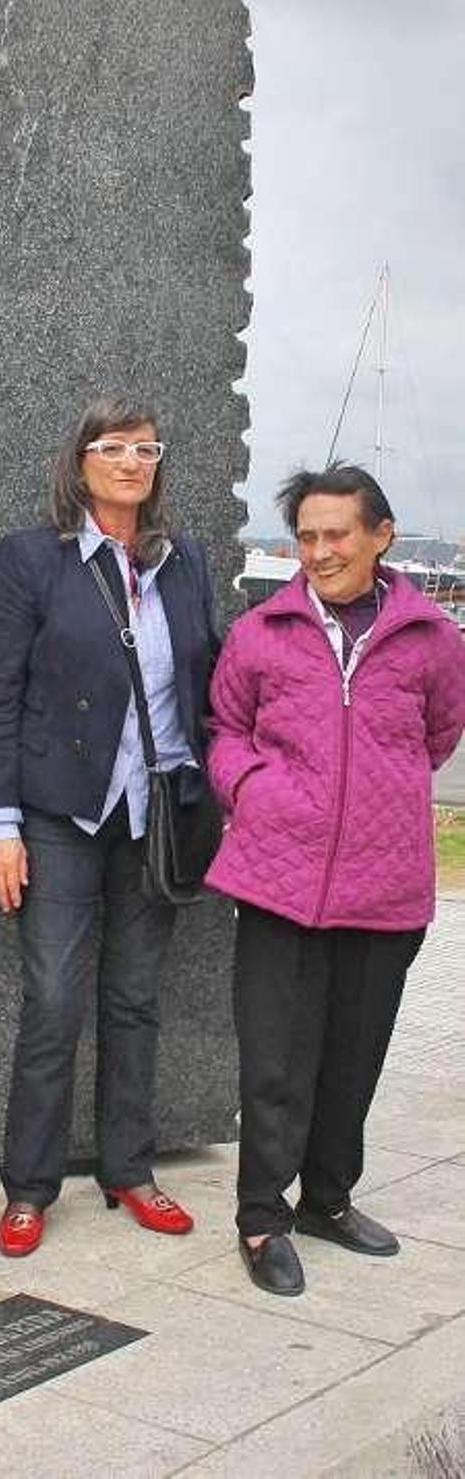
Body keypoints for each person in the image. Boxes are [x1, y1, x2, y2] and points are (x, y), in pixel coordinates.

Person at [0, 392, 220, 1257]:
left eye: (146, 450)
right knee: (53, 1000)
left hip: (157, 814)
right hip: (61, 813)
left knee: (137, 999)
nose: (130, 464)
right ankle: (29, 1188)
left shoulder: (184, 561)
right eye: (112, 447)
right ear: (80, 462)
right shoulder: (33, 560)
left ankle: (130, 1169)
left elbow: (204, 681)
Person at [205, 463, 465, 1297]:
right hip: (279, 878)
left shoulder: (432, 639)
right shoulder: (263, 631)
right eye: (306, 537)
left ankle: (327, 1198)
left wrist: (375, 801)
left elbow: (439, 734)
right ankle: (261, 1216)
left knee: (354, 1060)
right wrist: (256, 789)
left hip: (385, 885)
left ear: (381, 535)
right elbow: (223, 728)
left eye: (336, 535)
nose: (318, 552)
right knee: (276, 1062)